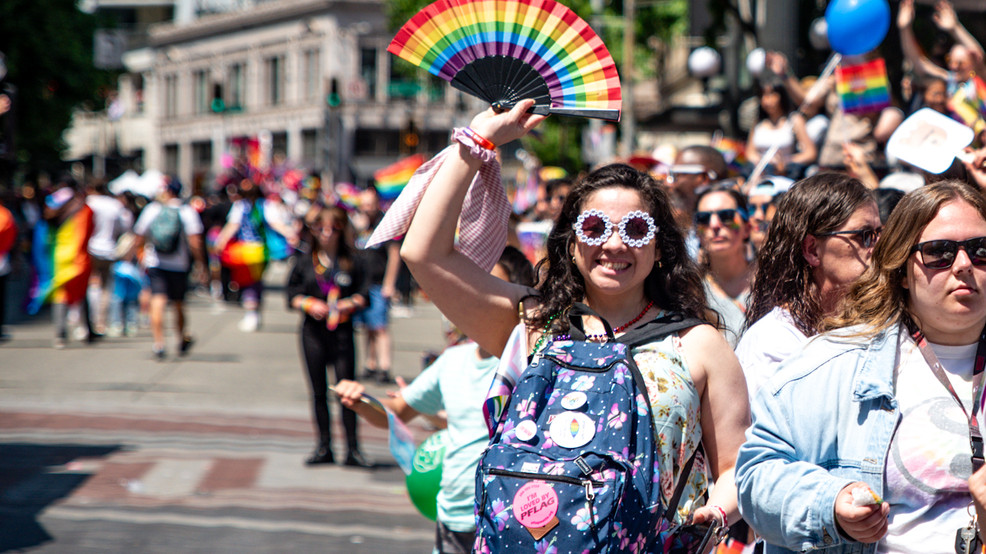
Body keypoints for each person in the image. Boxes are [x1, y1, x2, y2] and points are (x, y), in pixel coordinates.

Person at [395, 100, 750, 540]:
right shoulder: (531, 325)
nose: (615, 244)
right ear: (571, 243)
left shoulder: (699, 344)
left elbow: (735, 466)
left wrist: (715, 512)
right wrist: (477, 142)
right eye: (596, 227)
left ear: (660, 249)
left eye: (636, 230)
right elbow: (422, 254)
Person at [737, 181, 986, 552]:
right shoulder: (830, 362)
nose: (964, 265)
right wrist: (831, 505)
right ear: (902, 268)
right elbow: (756, 478)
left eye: (981, 250)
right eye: (940, 252)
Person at [335, 245, 535, 553]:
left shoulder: (531, 365)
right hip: (453, 517)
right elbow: (398, 411)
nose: (478, 299)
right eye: (472, 288)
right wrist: (362, 400)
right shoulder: (453, 360)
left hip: (507, 519)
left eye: (492, 289)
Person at [736, 173, 880, 394]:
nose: (877, 247)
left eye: (880, 234)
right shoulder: (771, 343)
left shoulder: (878, 325)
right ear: (812, 249)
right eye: (865, 235)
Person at [286, 205, 370, 467]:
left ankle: (353, 448)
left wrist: (349, 304)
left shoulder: (353, 260)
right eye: (321, 228)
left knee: (347, 393)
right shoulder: (304, 260)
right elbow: (291, 295)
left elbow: (365, 294)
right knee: (318, 391)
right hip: (313, 333)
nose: (327, 234)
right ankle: (324, 446)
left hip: (342, 333)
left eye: (333, 228)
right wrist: (309, 304)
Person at [133, 177, 206, 360]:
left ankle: (159, 343)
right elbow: (195, 241)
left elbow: (139, 234)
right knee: (178, 303)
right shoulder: (186, 211)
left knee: (157, 300)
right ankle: (181, 338)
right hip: (179, 264)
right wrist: (201, 263)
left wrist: (139, 255)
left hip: (155, 262)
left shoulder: (153, 209)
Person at [215, 179, 297, 332]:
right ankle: (253, 309)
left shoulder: (258, 206)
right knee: (251, 281)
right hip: (250, 251)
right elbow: (233, 225)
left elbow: (273, 223)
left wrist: (289, 234)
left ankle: (252, 310)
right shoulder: (247, 206)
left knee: (252, 282)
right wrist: (221, 241)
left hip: (256, 251)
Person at [28, 177, 95, 348]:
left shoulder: (56, 201)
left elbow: (45, 219)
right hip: (78, 254)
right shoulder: (82, 207)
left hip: (59, 253)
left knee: (61, 292)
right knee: (80, 293)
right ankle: (87, 330)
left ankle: (60, 334)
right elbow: (88, 231)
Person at [352, 187, 401, 383]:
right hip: (361, 284)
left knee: (380, 327)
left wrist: (390, 283)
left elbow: (394, 255)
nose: (367, 208)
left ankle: (384, 366)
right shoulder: (358, 225)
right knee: (367, 326)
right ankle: (370, 363)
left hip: (379, 284)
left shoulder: (385, 224)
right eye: (363, 205)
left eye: (370, 204)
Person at [695, 186, 753, 347]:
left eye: (726, 216)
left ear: (747, 228)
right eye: (703, 218)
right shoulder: (688, 293)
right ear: (697, 233)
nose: (714, 225)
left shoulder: (774, 286)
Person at [85, 178, 132, 335]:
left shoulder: (88, 202)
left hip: (89, 248)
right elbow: (124, 227)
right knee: (106, 287)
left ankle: (87, 321)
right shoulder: (114, 205)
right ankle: (101, 322)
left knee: (91, 284)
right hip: (109, 249)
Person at [744, 79, 817, 181]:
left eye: (771, 94)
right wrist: (761, 162)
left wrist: (787, 161)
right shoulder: (758, 122)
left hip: (787, 175)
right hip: (761, 175)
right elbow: (750, 152)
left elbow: (810, 153)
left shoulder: (794, 120)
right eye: (762, 95)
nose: (766, 100)